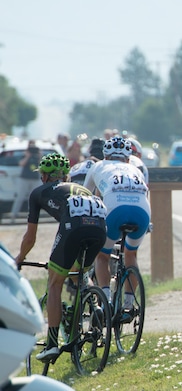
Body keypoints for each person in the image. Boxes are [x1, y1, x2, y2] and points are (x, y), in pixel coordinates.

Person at [15, 153, 107, 362]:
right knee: (78, 271)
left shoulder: (39, 192)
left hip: (74, 227)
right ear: (65, 176)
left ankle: (52, 344)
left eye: (42, 175)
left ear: (45, 177)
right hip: (100, 227)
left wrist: (20, 257)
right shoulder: (81, 189)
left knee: (55, 283)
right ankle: (95, 304)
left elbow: (30, 238)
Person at [83, 136, 150, 308]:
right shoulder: (136, 169)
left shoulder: (97, 166)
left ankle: (106, 303)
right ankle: (128, 305)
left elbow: (83, 196)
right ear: (128, 159)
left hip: (114, 210)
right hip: (142, 212)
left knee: (102, 256)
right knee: (131, 254)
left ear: (105, 156)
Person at [10, 140, 42, 223]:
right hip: (24, 178)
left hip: (35, 178)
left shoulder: (37, 155)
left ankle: (33, 217)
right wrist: (27, 156)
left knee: (34, 198)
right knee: (20, 197)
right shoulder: (24, 154)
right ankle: (13, 216)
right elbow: (21, 164)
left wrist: (39, 156)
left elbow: (41, 166)